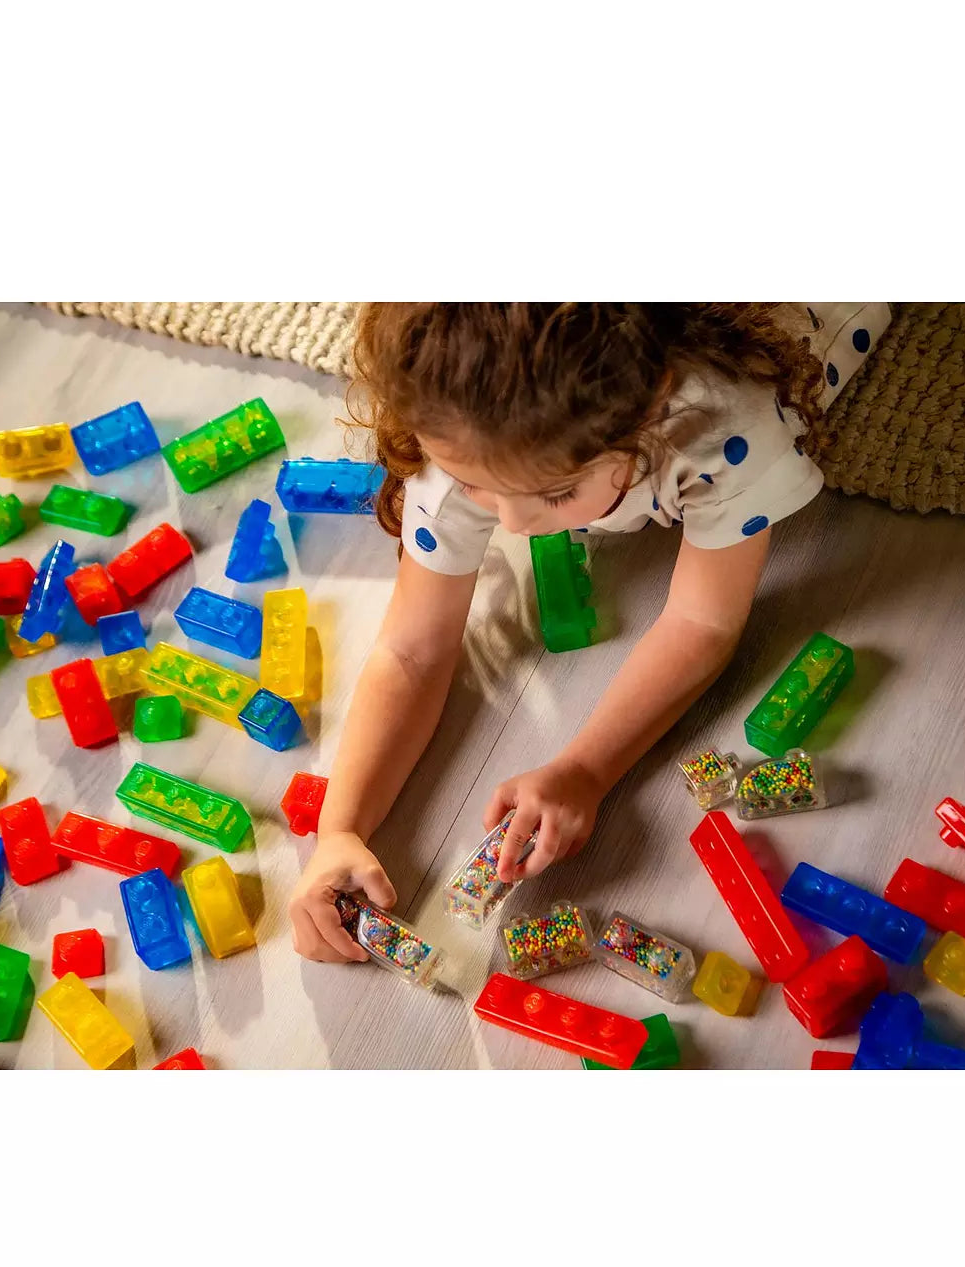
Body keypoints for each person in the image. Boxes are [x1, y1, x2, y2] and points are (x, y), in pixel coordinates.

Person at [289, 302, 890, 962]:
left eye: (554, 494)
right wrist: (340, 829)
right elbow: (410, 650)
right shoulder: (460, 423)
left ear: (647, 414)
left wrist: (584, 770)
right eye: (474, 486)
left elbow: (703, 621)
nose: (512, 525)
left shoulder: (725, 424)